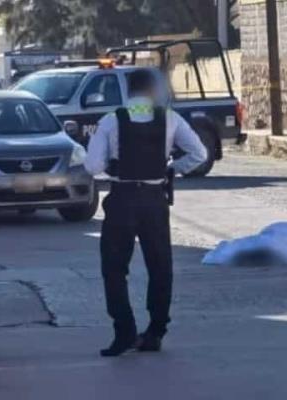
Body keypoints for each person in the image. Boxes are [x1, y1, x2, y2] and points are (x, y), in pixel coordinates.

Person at [84, 70, 207, 357]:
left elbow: (91, 166)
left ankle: (124, 331)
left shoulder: (112, 120)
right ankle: (155, 332)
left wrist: (111, 169)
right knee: (160, 266)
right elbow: (199, 154)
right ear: (153, 91)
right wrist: (169, 170)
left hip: (122, 200)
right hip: (154, 201)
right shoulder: (170, 118)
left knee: (114, 268)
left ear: (128, 90)